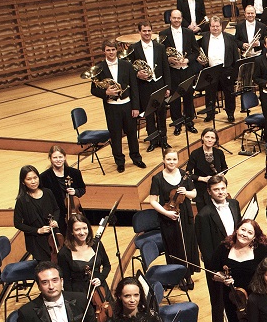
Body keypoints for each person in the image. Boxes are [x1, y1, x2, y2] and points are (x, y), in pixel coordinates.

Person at [213, 219, 267, 322]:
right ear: (237, 230)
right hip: (234, 300)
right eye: (243, 230)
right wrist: (221, 278)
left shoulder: (262, 249)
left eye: (250, 232)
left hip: (256, 298)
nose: (245, 234)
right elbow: (213, 272)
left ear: (255, 237)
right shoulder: (224, 247)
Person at [195, 175, 240, 322]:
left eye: (222, 188)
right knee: (218, 298)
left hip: (236, 256)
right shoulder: (204, 215)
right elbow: (205, 248)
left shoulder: (234, 204)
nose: (220, 192)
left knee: (238, 292)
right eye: (216, 189)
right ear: (209, 192)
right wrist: (214, 271)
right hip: (217, 262)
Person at [147, 149, 200, 286]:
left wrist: (186, 192)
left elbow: (194, 193)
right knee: (174, 247)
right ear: (163, 160)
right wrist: (167, 213)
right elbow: (152, 201)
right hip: (168, 217)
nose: (172, 162)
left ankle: (188, 274)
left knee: (187, 245)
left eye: (174, 159)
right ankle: (178, 276)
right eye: (169, 159)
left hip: (185, 214)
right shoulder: (157, 178)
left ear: (178, 160)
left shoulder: (184, 175)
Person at [89, 39, 142, 172]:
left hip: (127, 104)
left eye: (113, 50)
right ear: (104, 51)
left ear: (116, 50)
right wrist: (105, 92)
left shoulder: (127, 65)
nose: (111, 52)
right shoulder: (99, 68)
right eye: (108, 50)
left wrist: (136, 107)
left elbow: (134, 87)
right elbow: (93, 89)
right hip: (112, 107)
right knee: (116, 135)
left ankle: (136, 158)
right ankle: (120, 162)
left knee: (131, 134)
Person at [127, 22, 171, 152]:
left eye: (149, 31)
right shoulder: (134, 48)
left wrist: (167, 87)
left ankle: (163, 139)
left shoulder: (160, 47)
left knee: (162, 113)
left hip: (159, 84)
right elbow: (130, 70)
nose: (147, 33)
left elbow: (166, 69)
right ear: (139, 32)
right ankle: (153, 140)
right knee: (149, 114)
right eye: (144, 31)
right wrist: (137, 74)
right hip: (144, 86)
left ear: (152, 31)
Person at [159, 10, 199, 135]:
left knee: (188, 97)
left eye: (179, 18)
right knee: (174, 99)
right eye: (174, 18)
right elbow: (160, 54)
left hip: (186, 70)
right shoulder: (163, 33)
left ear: (182, 19)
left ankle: (189, 122)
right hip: (172, 71)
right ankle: (177, 123)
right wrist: (168, 59)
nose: (176, 20)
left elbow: (196, 51)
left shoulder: (188, 33)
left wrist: (187, 59)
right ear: (170, 19)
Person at [14, 165, 61, 262]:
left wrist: (55, 220)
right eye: (29, 179)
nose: (33, 181)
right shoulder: (21, 200)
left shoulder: (48, 192)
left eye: (35, 177)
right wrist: (37, 230)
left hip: (52, 235)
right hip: (36, 240)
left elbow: (56, 209)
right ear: (23, 182)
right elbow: (17, 223)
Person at [198, 16, 239, 122]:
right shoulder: (203, 37)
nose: (215, 28)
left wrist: (235, 72)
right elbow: (197, 51)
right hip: (210, 70)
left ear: (221, 26)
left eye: (217, 26)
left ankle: (230, 113)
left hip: (226, 69)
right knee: (209, 93)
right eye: (213, 26)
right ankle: (210, 114)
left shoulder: (230, 37)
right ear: (209, 27)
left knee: (229, 93)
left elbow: (235, 56)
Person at [57, 213, 110, 295]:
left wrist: (100, 278)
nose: (82, 232)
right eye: (77, 229)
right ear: (71, 232)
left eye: (85, 228)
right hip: (80, 293)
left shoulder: (96, 244)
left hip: (100, 290)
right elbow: (66, 281)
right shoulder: (64, 253)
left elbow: (107, 266)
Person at [185, 128, 227, 212]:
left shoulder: (219, 153)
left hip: (216, 188)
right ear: (202, 138)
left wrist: (221, 174)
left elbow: (225, 168)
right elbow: (188, 173)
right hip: (201, 189)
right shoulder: (195, 154)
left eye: (212, 138)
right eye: (207, 137)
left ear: (215, 140)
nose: (210, 140)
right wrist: (202, 178)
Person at [40, 145, 86, 219]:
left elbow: (82, 189)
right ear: (50, 159)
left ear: (64, 157)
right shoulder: (44, 177)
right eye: (55, 157)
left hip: (73, 209)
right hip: (56, 213)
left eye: (60, 157)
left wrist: (75, 192)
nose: (58, 160)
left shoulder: (75, 173)